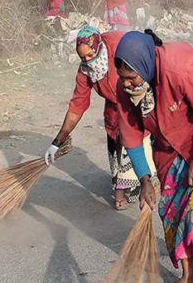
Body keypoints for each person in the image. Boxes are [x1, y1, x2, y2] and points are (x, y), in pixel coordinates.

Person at [115, 30, 193, 283]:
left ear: (145, 65)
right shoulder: (125, 88)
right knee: (172, 210)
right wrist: (145, 181)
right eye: (123, 79)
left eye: (131, 78)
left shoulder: (178, 69)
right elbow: (132, 136)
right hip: (167, 149)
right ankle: (188, 273)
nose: (126, 84)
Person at [44, 27, 155, 210]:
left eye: (90, 54)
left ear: (99, 46)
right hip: (113, 110)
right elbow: (77, 106)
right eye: (83, 58)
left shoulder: (118, 48)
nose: (88, 60)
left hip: (135, 103)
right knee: (116, 146)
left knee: (139, 147)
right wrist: (58, 141)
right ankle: (119, 189)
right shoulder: (85, 71)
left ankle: (142, 181)